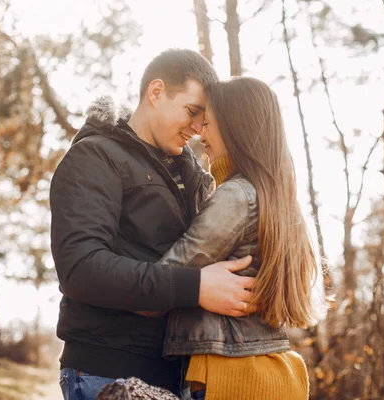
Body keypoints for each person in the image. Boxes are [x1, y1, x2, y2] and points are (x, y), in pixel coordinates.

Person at [49, 49, 255, 400]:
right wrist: (196, 287)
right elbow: (81, 270)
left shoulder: (189, 172)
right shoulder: (96, 156)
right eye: (192, 112)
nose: (196, 129)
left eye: (204, 120)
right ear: (156, 92)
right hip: (108, 370)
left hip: (180, 373)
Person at [140, 76, 322, 400]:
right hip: (275, 371)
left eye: (208, 124)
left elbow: (164, 281)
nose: (201, 134)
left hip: (229, 376)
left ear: (236, 127)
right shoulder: (277, 199)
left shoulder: (237, 196)